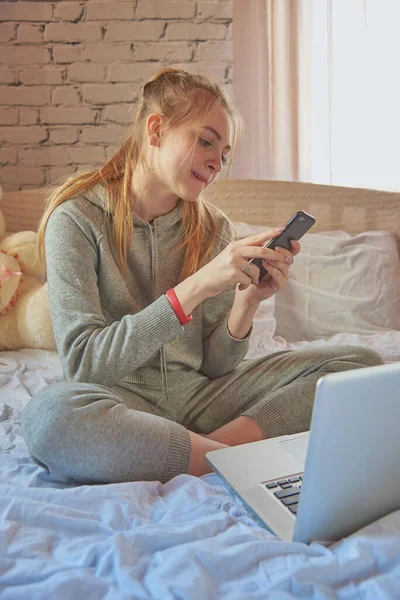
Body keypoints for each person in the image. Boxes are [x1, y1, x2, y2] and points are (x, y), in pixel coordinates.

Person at [22, 68, 383, 485]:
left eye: (224, 153)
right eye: (206, 141)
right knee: (49, 417)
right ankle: (232, 457)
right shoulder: (77, 220)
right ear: (155, 130)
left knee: (361, 366)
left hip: (201, 398)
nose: (217, 162)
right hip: (121, 399)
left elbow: (216, 367)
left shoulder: (213, 228)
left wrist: (246, 303)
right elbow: (84, 365)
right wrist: (193, 288)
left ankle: (209, 452)